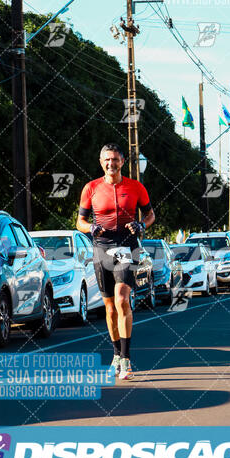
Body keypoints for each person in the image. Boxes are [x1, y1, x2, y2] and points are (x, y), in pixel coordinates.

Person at [77, 144, 155, 380]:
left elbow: (151, 215)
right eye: (107, 160)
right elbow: (79, 221)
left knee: (122, 300)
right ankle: (116, 354)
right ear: (101, 163)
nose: (111, 164)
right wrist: (91, 227)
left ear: (122, 161)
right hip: (102, 248)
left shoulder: (135, 187)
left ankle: (126, 358)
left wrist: (142, 225)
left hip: (127, 247)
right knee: (109, 307)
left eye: (115, 160)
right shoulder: (91, 188)